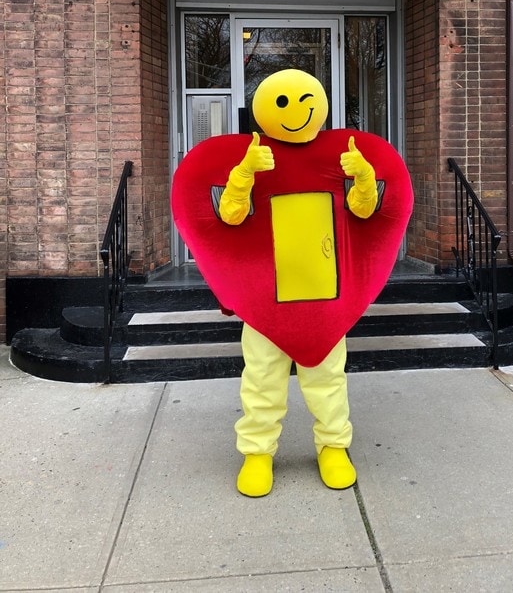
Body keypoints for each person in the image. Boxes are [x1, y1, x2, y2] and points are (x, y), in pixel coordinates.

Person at [171, 68, 413, 497]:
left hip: (324, 294)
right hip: (267, 297)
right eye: (283, 103)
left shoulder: (338, 155)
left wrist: (361, 177)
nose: (296, 111)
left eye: (304, 101)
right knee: (261, 379)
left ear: (319, 105)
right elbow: (229, 216)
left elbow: (364, 213)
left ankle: (333, 447)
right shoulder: (254, 157)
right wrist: (243, 176)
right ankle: (257, 453)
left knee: (328, 380)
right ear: (262, 110)